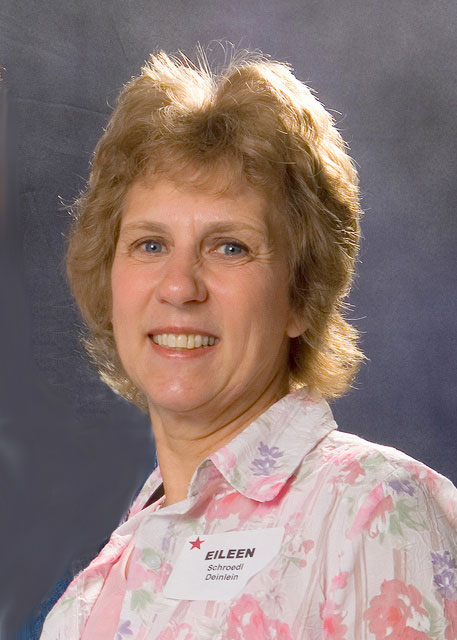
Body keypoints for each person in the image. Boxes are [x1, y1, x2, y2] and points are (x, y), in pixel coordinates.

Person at [40, 50, 457, 639]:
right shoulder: (93, 593)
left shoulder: (375, 510)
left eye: (229, 247)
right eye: (150, 245)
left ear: (301, 295)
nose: (179, 286)